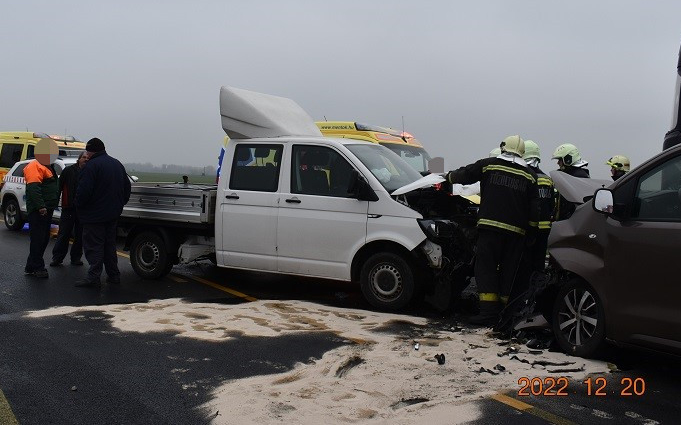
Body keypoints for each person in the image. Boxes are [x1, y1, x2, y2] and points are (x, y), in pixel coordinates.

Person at [445, 135, 539, 326]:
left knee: (485, 269)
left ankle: (488, 313)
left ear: (503, 148)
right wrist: (532, 233)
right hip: (516, 235)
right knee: (508, 271)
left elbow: (464, 174)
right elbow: (534, 209)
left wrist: (447, 177)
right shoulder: (530, 176)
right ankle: (504, 313)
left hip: (490, 230)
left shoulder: (489, 165)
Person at [75, 138, 131, 287]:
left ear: (91, 151)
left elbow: (83, 191)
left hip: (94, 216)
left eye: (87, 151)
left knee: (94, 247)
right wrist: (119, 204)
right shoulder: (117, 164)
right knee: (109, 246)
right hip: (112, 215)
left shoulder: (91, 166)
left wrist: (79, 207)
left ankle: (93, 277)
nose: (86, 154)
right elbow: (127, 188)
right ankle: (113, 275)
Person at [514, 140, 555, 298]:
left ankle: (522, 296)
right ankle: (537, 295)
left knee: (524, 265)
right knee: (539, 266)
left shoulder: (524, 177)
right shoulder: (547, 179)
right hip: (544, 231)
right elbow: (551, 205)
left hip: (527, 229)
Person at [23, 138, 60, 278]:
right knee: (39, 239)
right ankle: (38, 267)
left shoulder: (48, 165)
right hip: (39, 210)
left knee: (43, 238)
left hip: (46, 209)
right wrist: (41, 206)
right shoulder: (35, 166)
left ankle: (30, 266)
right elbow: (33, 188)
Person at [50, 151, 89, 266]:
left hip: (82, 209)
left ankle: (76, 258)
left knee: (80, 235)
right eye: (84, 157)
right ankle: (57, 258)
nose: (86, 159)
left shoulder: (89, 172)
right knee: (64, 234)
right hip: (69, 208)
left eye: (88, 157)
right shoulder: (68, 171)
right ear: (79, 159)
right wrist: (55, 203)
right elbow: (59, 187)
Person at [552, 143, 589, 220]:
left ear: (568, 159)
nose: (558, 163)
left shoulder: (579, 177)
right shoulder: (569, 176)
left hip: (571, 223)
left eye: (560, 160)